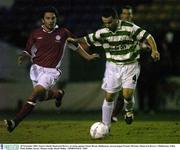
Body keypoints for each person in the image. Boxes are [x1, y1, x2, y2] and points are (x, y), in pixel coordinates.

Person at [4, 6, 98, 133]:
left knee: (36, 93)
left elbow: (76, 46)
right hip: (36, 70)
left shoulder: (64, 33)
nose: (51, 20)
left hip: (51, 71)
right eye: (47, 18)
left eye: (53, 18)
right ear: (43, 20)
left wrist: (88, 57)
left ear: (56, 19)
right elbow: (27, 50)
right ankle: (58, 94)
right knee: (41, 97)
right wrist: (24, 55)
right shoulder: (35, 34)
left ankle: (14, 122)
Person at [68, 7, 160, 132]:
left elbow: (148, 36)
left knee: (127, 95)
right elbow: (87, 39)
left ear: (117, 19)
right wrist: (75, 40)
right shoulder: (102, 32)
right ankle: (106, 126)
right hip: (112, 67)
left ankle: (128, 110)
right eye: (105, 22)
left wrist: (154, 50)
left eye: (110, 22)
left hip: (130, 66)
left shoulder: (130, 27)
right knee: (109, 96)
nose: (107, 25)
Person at [111, 5, 134, 122]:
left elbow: (143, 42)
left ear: (132, 16)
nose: (127, 16)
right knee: (113, 90)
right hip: (115, 64)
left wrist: (145, 47)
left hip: (130, 65)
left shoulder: (135, 29)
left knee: (124, 92)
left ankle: (116, 114)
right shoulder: (114, 27)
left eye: (129, 14)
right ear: (120, 15)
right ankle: (123, 111)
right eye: (125, 13)